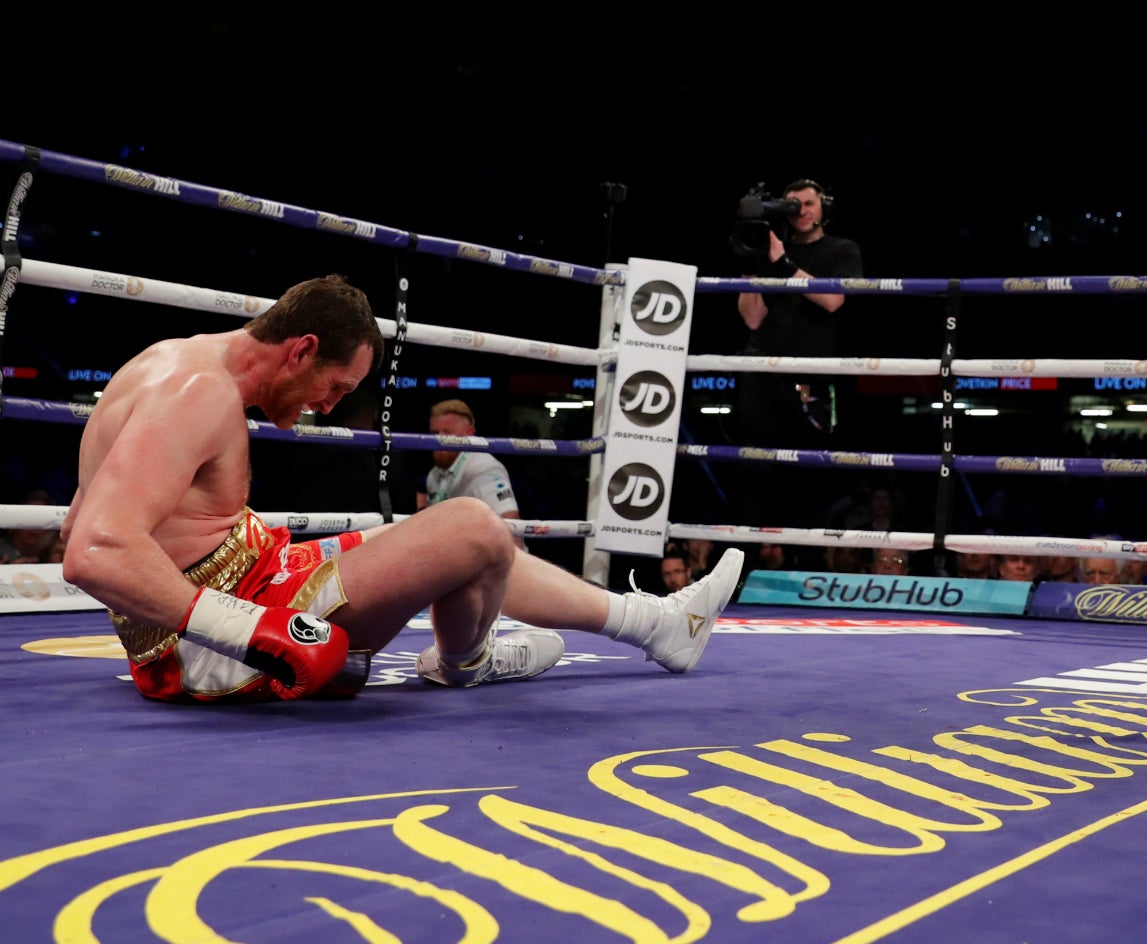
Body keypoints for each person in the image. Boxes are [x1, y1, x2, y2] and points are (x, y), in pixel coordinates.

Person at [60, 275, 745, 703]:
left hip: (249, 579)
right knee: (471, 526)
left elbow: (79, 520)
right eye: (335, 387)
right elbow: (92, 551)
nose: (328, 407)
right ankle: (467, 660)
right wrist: (251, 629)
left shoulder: (170, 363)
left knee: (436, 542)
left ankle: (655, 626)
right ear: (300, 349)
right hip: (207, 648)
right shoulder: (197, 395)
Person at [734, 179, 863, 442]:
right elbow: (752, 319)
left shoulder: (842, 249)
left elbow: (833, 301)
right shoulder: (771, 250)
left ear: (824, 207)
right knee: (756, 459)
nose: (801, 211)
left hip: (810, 372)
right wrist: (749, 269)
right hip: (764, 368)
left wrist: (785, 265)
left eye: (808, 204)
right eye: (793, 206)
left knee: (810, 460)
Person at [418, 399, 525, 550]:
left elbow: (512, 528)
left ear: (469, 434)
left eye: (447, 433)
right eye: (435, 433)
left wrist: (510, 572)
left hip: (490, 564)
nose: (439, 440)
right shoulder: (434, 475)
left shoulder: (483, 469)